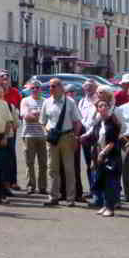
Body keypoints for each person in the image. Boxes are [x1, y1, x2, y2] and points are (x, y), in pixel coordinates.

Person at [40, 78, 82, 207]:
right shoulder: (47, 102)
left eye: (53, 86)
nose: (50, 89)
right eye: (50, 86)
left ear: (61, 87)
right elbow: (42, 121)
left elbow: (77, 122)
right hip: (52, 139)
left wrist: (75, 137)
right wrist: (46, 133)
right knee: (52, 168)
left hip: (67, 137)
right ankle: (53, 197)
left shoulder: (70, 102)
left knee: (69, 169)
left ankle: (70, 198)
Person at [87, 99, 121, 217]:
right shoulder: (98, 123)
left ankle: (110, 208)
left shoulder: (113, 122)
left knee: (110, 183)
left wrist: (102, 153)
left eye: (105, 105)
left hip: (111, 157)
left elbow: (112, 142)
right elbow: (95, 142)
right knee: (102, 182)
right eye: (100, 106)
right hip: (99, 157)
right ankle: (105, 206)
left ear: (108, 108)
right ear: (98, 109)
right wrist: (94, 159)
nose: (103, 107)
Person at [20, 80, 47, 195]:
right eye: (33, 88)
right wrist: (39, 116)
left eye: (37, 88)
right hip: (28, 135)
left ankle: (42, 187)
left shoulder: (46, 101)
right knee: (29, 162)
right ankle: (31, 186)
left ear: (41, 89)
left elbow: (48, 118)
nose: (35, 90)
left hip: (43, 135)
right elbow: (26, 117)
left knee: (43, 163)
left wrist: (34, 115)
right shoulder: (25, 100)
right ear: (30, 90)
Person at [0, 70, 22, 192]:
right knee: (0, 155)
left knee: (11, 154)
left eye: (7, 77)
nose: (5, 79)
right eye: (3, 77)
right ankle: (0, 182)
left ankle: (13, 181)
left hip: (11, 127)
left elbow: (18, 108)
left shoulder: (15, 92)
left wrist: (15, 124)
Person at [77, 80, 99, 200]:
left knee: (97, 163)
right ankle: (92, 189)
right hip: (84, 135)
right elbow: (80, 118)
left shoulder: (99, 100)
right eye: (86, 87)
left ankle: (98, 190)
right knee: (88, 163)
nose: (88, 89)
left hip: (95, 135)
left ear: (95, 88)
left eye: (90, 87)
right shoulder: (82, 101)